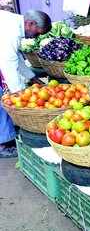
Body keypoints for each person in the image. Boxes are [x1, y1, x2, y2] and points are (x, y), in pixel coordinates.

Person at [0, 10, 51, 157]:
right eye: (37, 33)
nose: (36, 38)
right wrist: (23, 96)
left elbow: (15, 57)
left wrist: (32, 78)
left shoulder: (15, 24)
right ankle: (3, 144)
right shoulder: (11, 32)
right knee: (2, 99)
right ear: (31, 24)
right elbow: (9, 66)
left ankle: (6, 132)